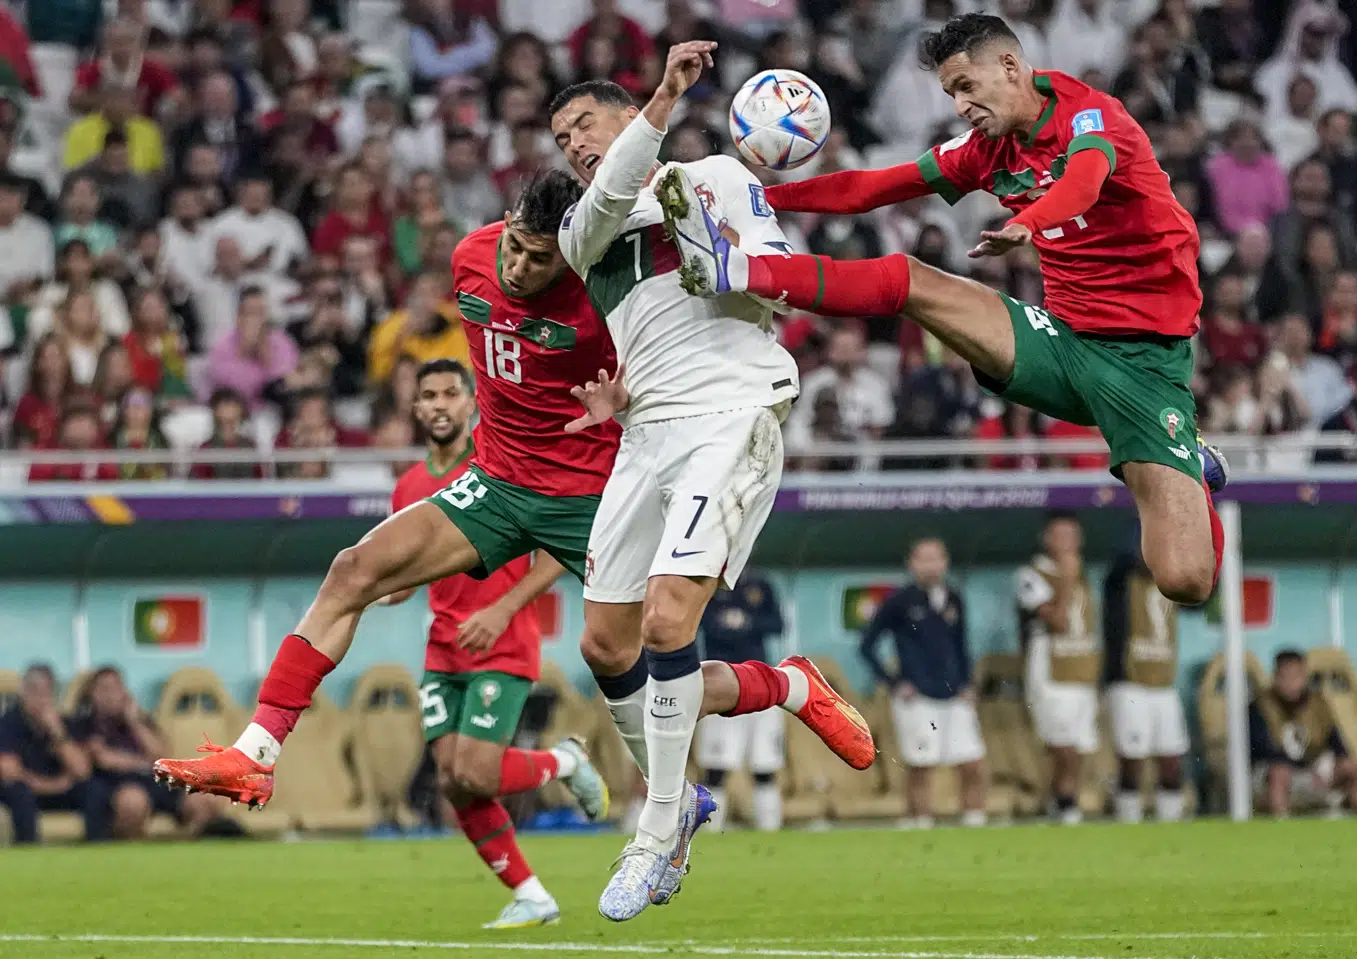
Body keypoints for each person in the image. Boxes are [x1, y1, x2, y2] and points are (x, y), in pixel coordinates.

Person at [153, 172, 868, 900]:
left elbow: (670, 383)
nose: (523, 270)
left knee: (645, 664)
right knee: (353, 569)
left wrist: (619, 400)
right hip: (495, 482)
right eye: (519, 250)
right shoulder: (470, 256)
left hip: (589, 496)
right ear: (504, 223)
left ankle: (784, 684)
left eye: (543, 260)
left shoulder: (602, 302)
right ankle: (256, 750)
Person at [664, 15, 1229, 613]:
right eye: (949, 93)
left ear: (1011, 67)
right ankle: (737, 271)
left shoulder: (1091, 116)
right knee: (913, 280)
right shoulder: (985, 151)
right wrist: (759, 197)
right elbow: (870, 188)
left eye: (965, 86)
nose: (960, 106)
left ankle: (1190, 460)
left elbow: (1085, 182)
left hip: (1143, 366)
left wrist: (1026, 223)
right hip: (1062, 342)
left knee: (1183, 579)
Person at [548, 44, 873, 921]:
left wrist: (726, 257)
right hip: (647, 431)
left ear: (620, 121)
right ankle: (787, 687)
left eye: (584, 124)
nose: (572, 142)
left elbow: (774, 284)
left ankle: (657, 830)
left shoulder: (721, 175)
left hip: (732, 411)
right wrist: (661, 101)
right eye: (560, 135)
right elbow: (615, 194)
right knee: (608, 646)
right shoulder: (587, 226)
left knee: (665, 621)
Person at [381, 358, 605, 930]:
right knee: (453, 781)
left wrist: (503, 606)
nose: (437, 404)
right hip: (442, 649)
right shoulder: (407, 487)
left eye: (449, 393)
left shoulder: (500, 462)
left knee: (476, 773)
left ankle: (566, 760)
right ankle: (532, 895)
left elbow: (562, 541)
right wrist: (392, 588)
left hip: (503, 641)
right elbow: (414, 564)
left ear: (471, 400)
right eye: (426, 395)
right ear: (415, 408)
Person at [860, 538, 987, 829]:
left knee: (971, 764)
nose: (931, 566)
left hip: (955, 694)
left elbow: (961, 645)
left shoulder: (954, 598)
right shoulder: (899, 601)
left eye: (936, 558)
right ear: (911, 563)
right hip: (917, 697)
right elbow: (866, 646)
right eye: (923, 559)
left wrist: (968, 683)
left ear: (945, 561)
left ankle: (974, 822)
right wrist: (895, 682)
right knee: (921, 765)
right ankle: (920, 824)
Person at [71, 666, 222, 839]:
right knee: (134, 802)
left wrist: (134, 722)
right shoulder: (85, 724)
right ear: (93, 695)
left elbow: (161, 755)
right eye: (104, 689)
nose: (111, 695)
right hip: (118, 784)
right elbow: (104, 760)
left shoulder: (139, 720)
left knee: (203, 800)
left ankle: (188, 853)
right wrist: (143, 762)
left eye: (116, 688)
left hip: (156, 781)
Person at [1016, 512, 1099, 825]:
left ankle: (1064, 804)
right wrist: (1066, 579)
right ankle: (1063, 805)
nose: (1067, 543)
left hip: (1081, 667)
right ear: (1046, 539)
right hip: (1050, 668)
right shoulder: (1031, 574)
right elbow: (1058, 620)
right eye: (1059, 535)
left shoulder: (1083, 575)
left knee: (1078, 745)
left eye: (1072, 536)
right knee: (1060, 744)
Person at [694, 570, 787, 833]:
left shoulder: (762, 585)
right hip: (719, 684)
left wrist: (743, 623)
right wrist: (732, 627)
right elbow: (703, 625)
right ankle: (709, 831)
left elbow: (776, 625)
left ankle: (770, 828)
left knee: (765, 764)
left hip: (761, 683)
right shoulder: (708, 585)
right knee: (716, 766)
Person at [1102, 544, 1188, 823]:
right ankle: (1128, 823)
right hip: (1130, 684)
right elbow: (1119, 569)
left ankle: (1171, 827)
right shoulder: (1120, 585)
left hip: (1164, 683)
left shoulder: (1170, 585)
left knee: (1172, 761)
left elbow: (1202, 594)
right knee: (1132, 760)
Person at [1249, 650, 1357, 817]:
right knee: (1279, 773)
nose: (1292, 682)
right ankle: (1281, 829)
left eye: (1297, 676)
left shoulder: (1318, 703)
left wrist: (1340, 760)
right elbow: (1264, 751)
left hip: (1316, 766)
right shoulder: (1260, 706)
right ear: (1276, 677)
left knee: (1354, 769)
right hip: (1277, 771)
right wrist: (1307, 770)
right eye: (1286, 676)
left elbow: (1334, 740)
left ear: (1304, 676)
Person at [0, 665, 108, 844]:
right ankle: (28, 852)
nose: (40, 699)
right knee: (19, 792)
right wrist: (49, 785)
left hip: (61, 788)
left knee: (95, 790)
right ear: (23, 693)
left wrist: (57, 732)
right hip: (28, 788)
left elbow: (82, 771)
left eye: (46, 692)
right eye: (34, 691)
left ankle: (96, 850)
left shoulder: (65, 724)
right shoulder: (8, 723)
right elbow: (8, 771)